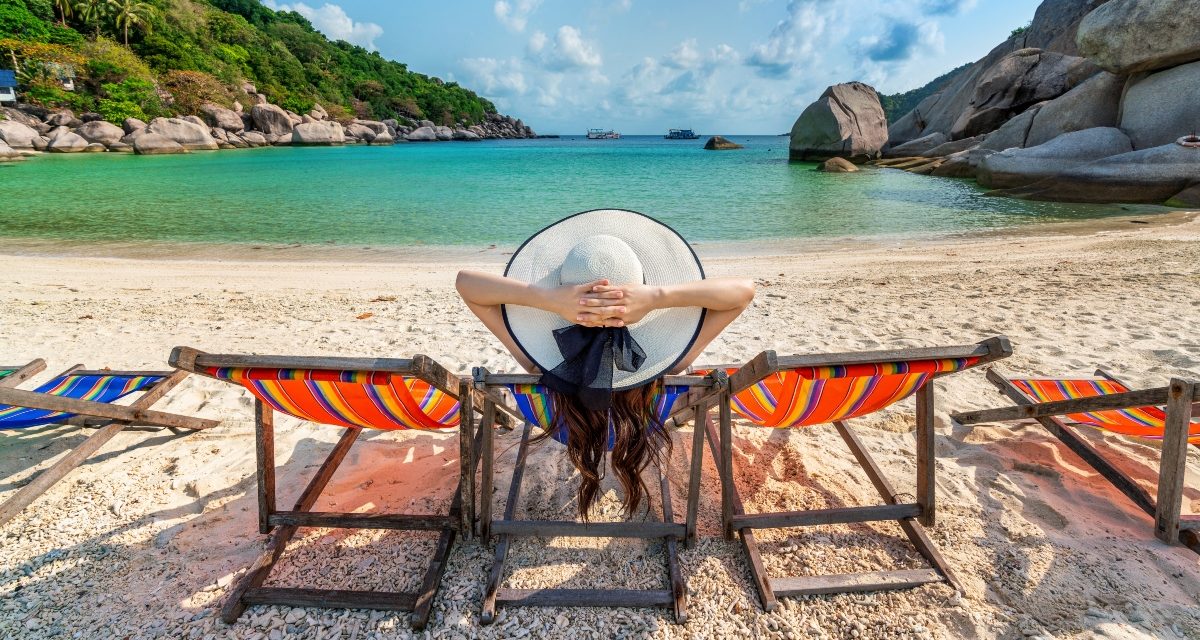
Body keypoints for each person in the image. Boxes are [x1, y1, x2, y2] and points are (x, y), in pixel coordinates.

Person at [456, 209, 754, 518]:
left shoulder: (537, 363)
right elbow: (744, 291)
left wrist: (548, 298)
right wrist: (657, 297)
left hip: (566, 430)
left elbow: (465, 282)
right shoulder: (669, 364)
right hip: (639, 426)